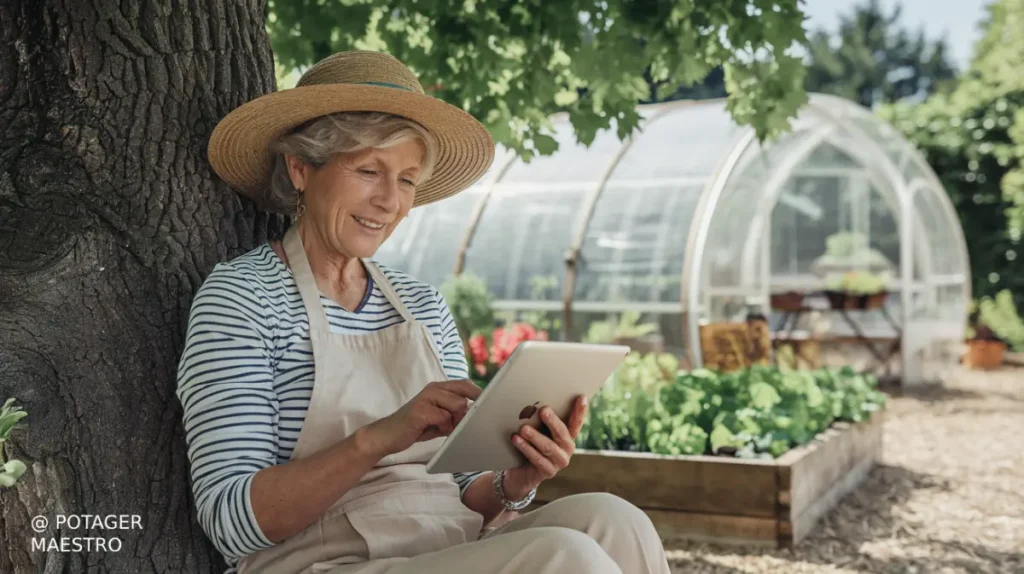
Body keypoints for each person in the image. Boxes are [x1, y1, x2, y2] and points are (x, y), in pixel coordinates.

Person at [176, 50, 671, 574]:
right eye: (369, 170)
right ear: (301, 168)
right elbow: (229, 520)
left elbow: (459, 494)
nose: (389, 200)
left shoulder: (421, 304)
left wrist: (517, 481)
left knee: (616, 519)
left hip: (439, 550)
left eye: (407, 180)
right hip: (317, 561)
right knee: (565, 556)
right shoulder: (243, 296)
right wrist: (378, 437)